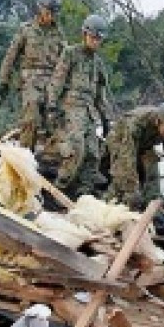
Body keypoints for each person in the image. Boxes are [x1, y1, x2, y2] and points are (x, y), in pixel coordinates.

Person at [45, 14, 113, 197]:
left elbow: (100, 96)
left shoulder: (98, 64)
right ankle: (58, 190)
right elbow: (57, 81)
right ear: (85, 34)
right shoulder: (71, 53)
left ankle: (84, 193)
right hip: (71, 108)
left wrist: (106, 119)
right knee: (76, 149)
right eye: (93, 37)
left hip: (89, 112)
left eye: (99, 39)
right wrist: (51, 105)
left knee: (93, 154)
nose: (95, 42)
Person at [0, 0, 66, 149]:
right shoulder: (26, 30)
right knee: (31, 119)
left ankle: (50, 160)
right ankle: (24, 157)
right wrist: (3, 81)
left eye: (54, 13)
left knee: (55, 121)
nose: (51, 16)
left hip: (52, 82)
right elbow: (11, 56)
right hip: (30, 81)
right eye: (48, 12)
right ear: (40, 10)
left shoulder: (59, 35)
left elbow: (65, 63)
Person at [105, 100, 164, 209]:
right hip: (120, 141)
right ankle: (109, 202)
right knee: (122, 178)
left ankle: (149, 204)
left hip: (144, 144)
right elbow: (127, 157)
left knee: (152, 172)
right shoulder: (135, 123)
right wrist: (131, 189)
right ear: (158, 121)